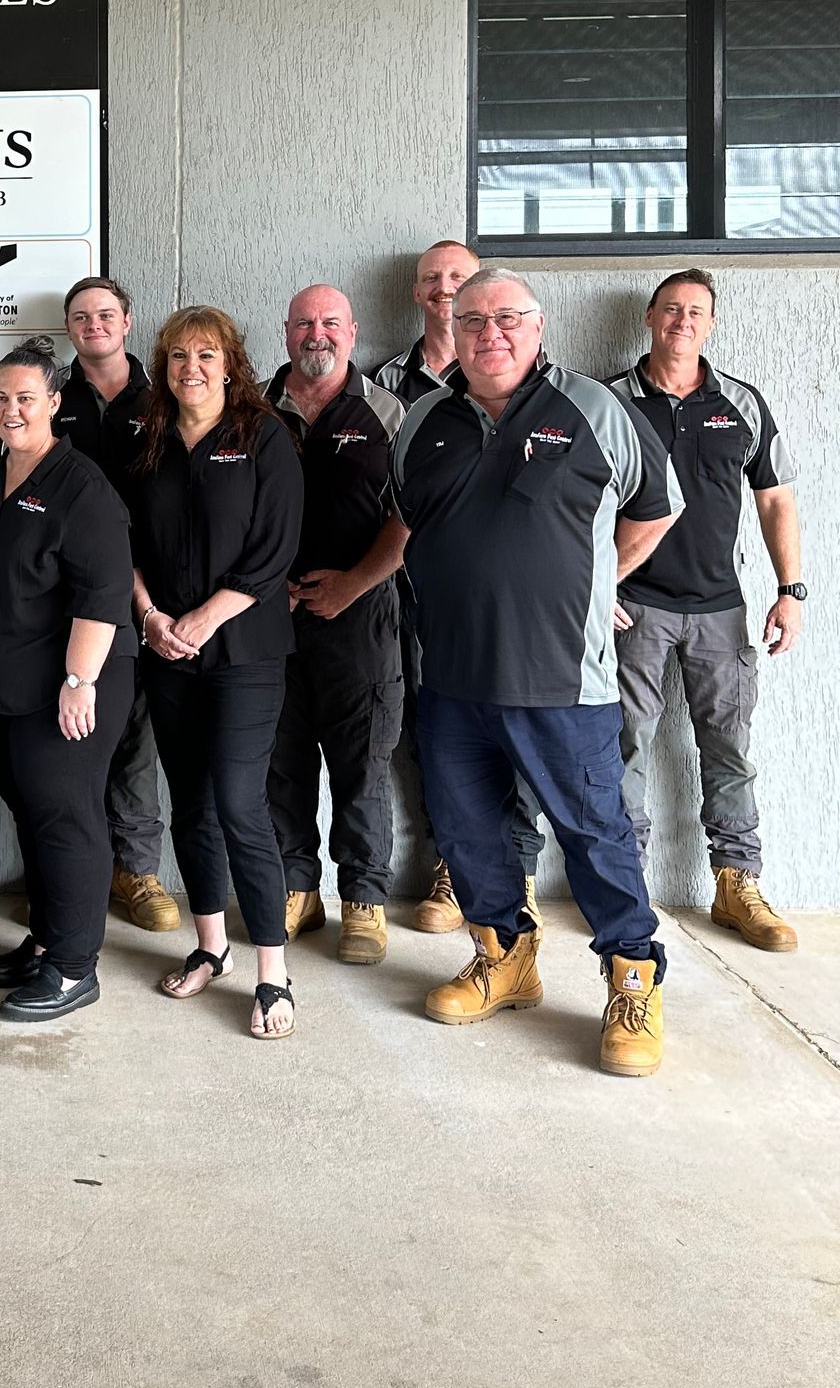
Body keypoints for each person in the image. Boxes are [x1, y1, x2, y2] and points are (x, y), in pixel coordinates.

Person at [391, 268, 683, 1076]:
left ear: (538, 324)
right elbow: (414, 527)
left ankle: (633, 979)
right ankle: (505, 958)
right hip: (451, 677)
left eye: (508, 317)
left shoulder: (594, 409)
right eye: (474, 318)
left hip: (565, 681)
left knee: (594, 835)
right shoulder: (421, 422)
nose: (492, 333)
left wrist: (599, 588)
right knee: (467, 830)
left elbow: (657, 509)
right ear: (453, 324)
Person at [606, 269, 803, 952]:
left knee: (728, 750)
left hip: (722, 610)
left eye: (695, 312)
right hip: (633, 607)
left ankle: (736, 882)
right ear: (649, 317)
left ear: (711, 324)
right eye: (670, 309)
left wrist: (791, 590)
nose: (682, 321)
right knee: (623, 745)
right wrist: (595, 588)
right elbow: (573, 505)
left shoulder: (741, 403)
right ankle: (624, 883)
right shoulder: (610, 402)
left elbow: (775, 499)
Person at [126, 308, 304, 1039]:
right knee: (191, 806)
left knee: (239, 803)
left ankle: (273, 971)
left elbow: (274, 549)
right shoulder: (148, 441)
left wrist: (203, 619)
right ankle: (210, 946)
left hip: (245, 655)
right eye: (176, 356)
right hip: (166, 651)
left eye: (205, 354)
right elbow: (120, 540)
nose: (189, 367)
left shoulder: (265, 437)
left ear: (231, 363)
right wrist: (149, 617)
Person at [0, 338, 136, 1022]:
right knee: (33, 813)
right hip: (4, 684)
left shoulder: (80, 485)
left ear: (55, 403)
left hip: (71, 687)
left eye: (26, 397)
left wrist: (79, 681)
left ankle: (74, 967)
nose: (11, 409)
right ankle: (49, 939)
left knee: (67, 820)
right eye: (1, 398)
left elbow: (104, 592)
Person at [372, 236, 543, 930]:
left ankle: (520, 870)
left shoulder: (539, 385)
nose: (446, 288)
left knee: (521, 732)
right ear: (417, 293)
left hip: (513, 607)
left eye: (459, 278)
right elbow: (387, 503)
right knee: (433, 738)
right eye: (432, 278)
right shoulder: (385, 386)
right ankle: (453, 867)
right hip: (414, 600)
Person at [264, 286, 407, 964]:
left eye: (329, 323)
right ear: (286, 332)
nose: (315, 334)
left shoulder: (389, 413)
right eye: (303, 324)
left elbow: (414, 516)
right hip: (272, 620)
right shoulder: (254, 409)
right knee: (280, 762)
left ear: (352, 331)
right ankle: (298, 889)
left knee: (362, 764)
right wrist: (265, 592)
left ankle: (365, 899)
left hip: (361, 616)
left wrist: (353, 584)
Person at [55, 275, 177, 935]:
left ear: (128, 322)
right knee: (75, 733)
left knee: (135, 737)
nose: (93, 324)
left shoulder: (160, 398)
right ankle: (79, 865)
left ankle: (137, 869)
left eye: (105, 314)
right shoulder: (53, 397)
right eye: (81, 316)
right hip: (68, 595)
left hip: (150, 594)